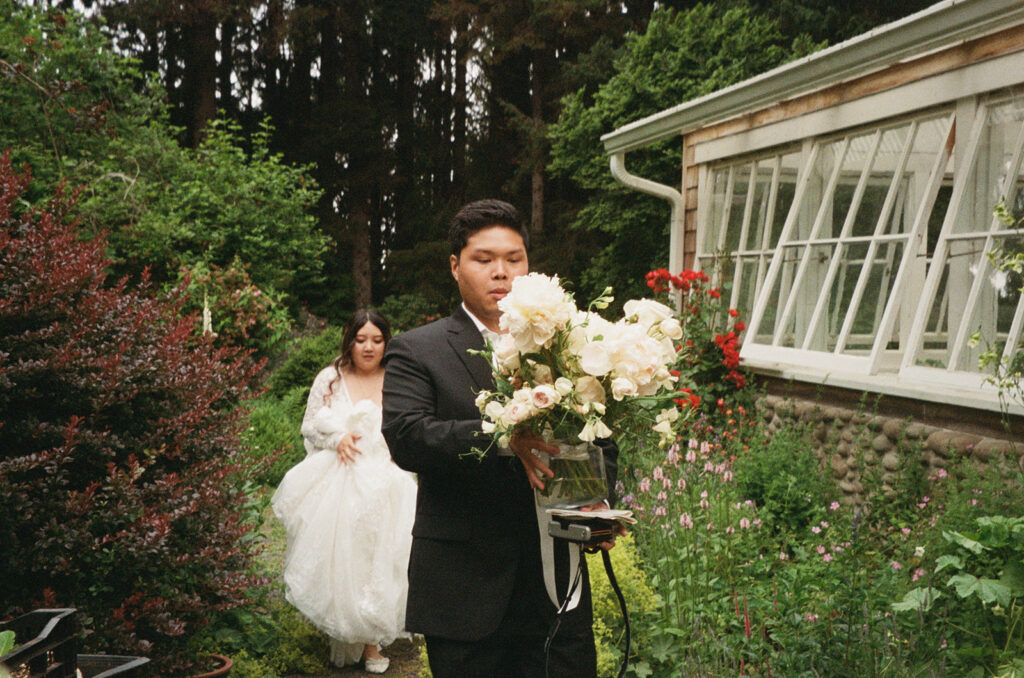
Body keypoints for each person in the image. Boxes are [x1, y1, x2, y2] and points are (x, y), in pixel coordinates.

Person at [381, 199, 619, 678]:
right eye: (484, 259)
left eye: (514, 260)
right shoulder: (418, 349)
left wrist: (595, 501)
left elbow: (603, 436)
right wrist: (508, 438)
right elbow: (407, 436)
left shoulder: (569, 344)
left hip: (557, 583)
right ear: (455, 266)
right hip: (465, 588)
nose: (501, 273)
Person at [272, 308, 416, 674]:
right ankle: (345, 625)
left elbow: (410, 426)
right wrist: (338, 438)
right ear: (349, 340)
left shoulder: (398, 377)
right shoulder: (330, 378)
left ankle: (372, 642)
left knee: (381, 556)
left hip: (387, 479)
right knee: (345, 557)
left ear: (387, 342)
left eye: (377, 340)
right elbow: (309, 426)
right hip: (342, 478)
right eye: (361, 339)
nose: (368, 347)